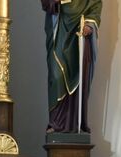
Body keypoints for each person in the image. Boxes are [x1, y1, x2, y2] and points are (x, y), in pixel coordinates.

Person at [41, 0, 101, 134]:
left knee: (78, 76)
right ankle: (56, 122)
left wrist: (90, 24)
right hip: (59, 27)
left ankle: (74, 124)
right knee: (57, 76)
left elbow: (96, 4)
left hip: (79, 29)